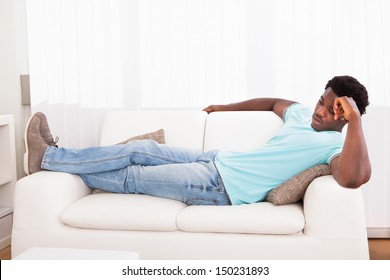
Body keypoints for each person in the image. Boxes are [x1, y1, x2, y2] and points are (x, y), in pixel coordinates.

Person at [25, 75, 371, 206]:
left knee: (135, 176)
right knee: (139, 149)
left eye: (331, 109)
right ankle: (53, 157)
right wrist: (223, 107)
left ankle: (49, 159)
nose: (320, 110)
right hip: (217, 159)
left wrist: (355, 118)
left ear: (344, 117)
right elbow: (272, 103)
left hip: (220, 187)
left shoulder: (336, 150)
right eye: (321, 101)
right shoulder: (301, 116)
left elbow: (354, 178)